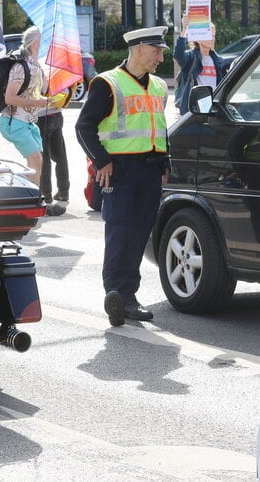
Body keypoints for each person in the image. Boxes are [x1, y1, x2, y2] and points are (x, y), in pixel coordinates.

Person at [75, 26, 171, 326]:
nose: (160, 57)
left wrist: (165, 162)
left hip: (150, 170)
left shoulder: (158, 86)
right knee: (120, 233)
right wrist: (101, 161)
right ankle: (117, 294)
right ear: (138, 49)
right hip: (120, 171)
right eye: (156, 51)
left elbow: (159, 126)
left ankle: (128, 296)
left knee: (140, 234)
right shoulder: (108, 83)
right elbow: (84, 127)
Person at [0, 26, 65, 216]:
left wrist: (50, 100)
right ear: (35, 43)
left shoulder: (35, 66)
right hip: (14, 123)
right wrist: (39, 102)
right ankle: (33, 203)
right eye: (44, 41)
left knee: (36, 163)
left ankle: (30, 200)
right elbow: (10, 98)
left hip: (27, 123)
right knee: (36, 160)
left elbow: (34, 94)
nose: (47, 46)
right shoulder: (21, 67)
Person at [173, 14, 231, 114]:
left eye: (213, 35)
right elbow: (178, 55)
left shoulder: (218, 61)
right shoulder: (191, 57)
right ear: (198, 39)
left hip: (213, 108)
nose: (213, 39)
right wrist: (184, 29)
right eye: (209, 35)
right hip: (194, 109)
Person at [34, 66, 70, 213]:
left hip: (42, 116)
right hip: (57, 114)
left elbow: (36, 92)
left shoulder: (39, 68)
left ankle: (46, 194)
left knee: (44, 158)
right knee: (60, 155)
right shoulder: (58, 68)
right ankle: (63, 191)